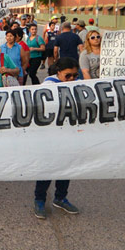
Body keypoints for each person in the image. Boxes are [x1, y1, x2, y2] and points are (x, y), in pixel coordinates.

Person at [33, 57, 82, 219]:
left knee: (66, 168)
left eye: (75, 75)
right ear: (58, 72)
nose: (72, 79)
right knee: (47, 169)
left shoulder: (78, 84)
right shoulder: (48, 86)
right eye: (68, 76)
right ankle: (39, 199)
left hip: (69, 135)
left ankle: (60, 197)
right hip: (50, 137)